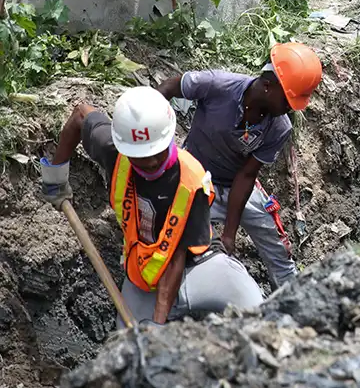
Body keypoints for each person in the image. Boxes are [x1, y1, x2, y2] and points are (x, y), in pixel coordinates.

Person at [39, 87, 264, 327]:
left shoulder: (190, 181)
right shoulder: (114, 150)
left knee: (260, 313)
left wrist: (157, 325)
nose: (151, 161)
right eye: (141, 158)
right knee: (125, 349)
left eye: (156, 152)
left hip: (200, 267)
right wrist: (56, 177)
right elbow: (81, 115)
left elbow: (177, 254)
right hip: (145, 274)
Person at [156, 43, 323, 287]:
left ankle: (292, 293)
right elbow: (168, 87)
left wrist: (229, 234)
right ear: (267, 86)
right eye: (288, 100)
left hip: (237, 185)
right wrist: (158, 146)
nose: (290, 108)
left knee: (276, 245)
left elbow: (246, 176)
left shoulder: (280, 127)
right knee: (176, 239)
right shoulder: (217, 85)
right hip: (194, 181)